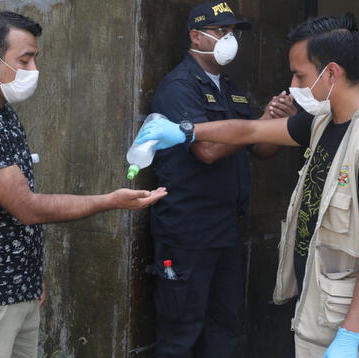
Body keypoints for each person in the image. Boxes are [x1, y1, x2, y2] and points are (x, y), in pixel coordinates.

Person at [137, 13, 359, 358]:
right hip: (317, 308)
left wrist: (350, 336)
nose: (294, 85)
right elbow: (252, 131)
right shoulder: (323, 121)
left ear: (331, 72)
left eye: (300, 75)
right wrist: (188, 131)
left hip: (349, 326)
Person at [0, 11, 166, 358]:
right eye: (24, 60)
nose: (33, 69)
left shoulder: (2, 114)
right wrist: (110, 200)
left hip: (16, 292)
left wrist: (29, 277)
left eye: (35, 59)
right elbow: (26, 207)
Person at [147, 2, 279, 357]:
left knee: (222, 326)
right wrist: (255, 127)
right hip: (188, 231)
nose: (230, 39)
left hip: (225, 228)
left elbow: (261, 149)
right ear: (196, 35)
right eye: (221, 32)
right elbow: (205, 149)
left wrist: (272, 121)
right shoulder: (179, 86)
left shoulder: (232, 89)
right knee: (181, 332)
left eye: (233, 32)